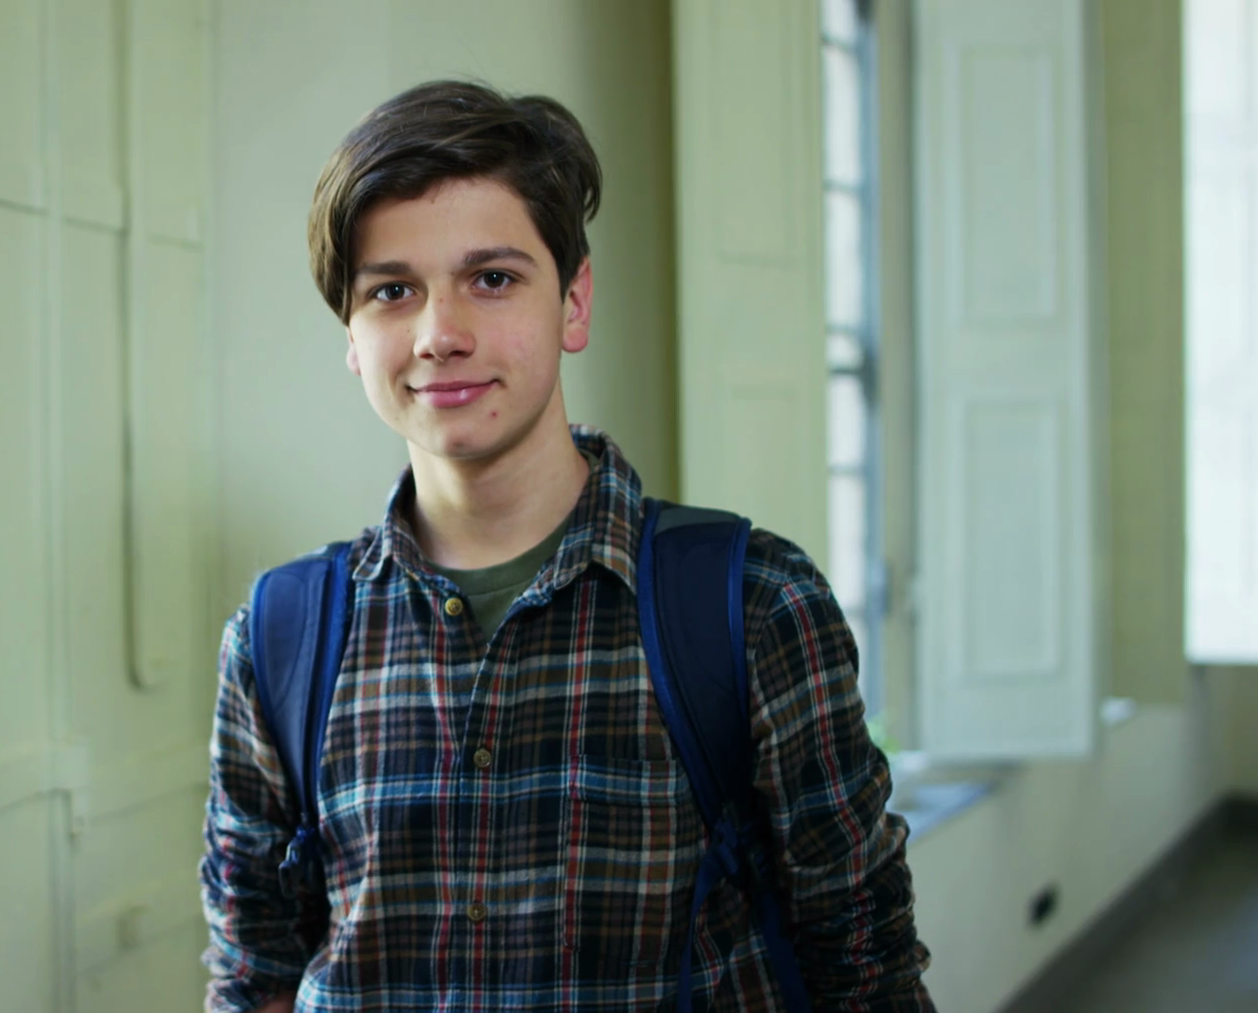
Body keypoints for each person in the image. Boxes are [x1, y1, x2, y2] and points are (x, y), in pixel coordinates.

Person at [199, 80, 933, 1012]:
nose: (440, 334)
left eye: (492, 279)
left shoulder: (752, 603)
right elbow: (254, 976)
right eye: (392, 291)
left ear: (573, 303)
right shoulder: (280, 636)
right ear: (353, 332)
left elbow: (863, 963)